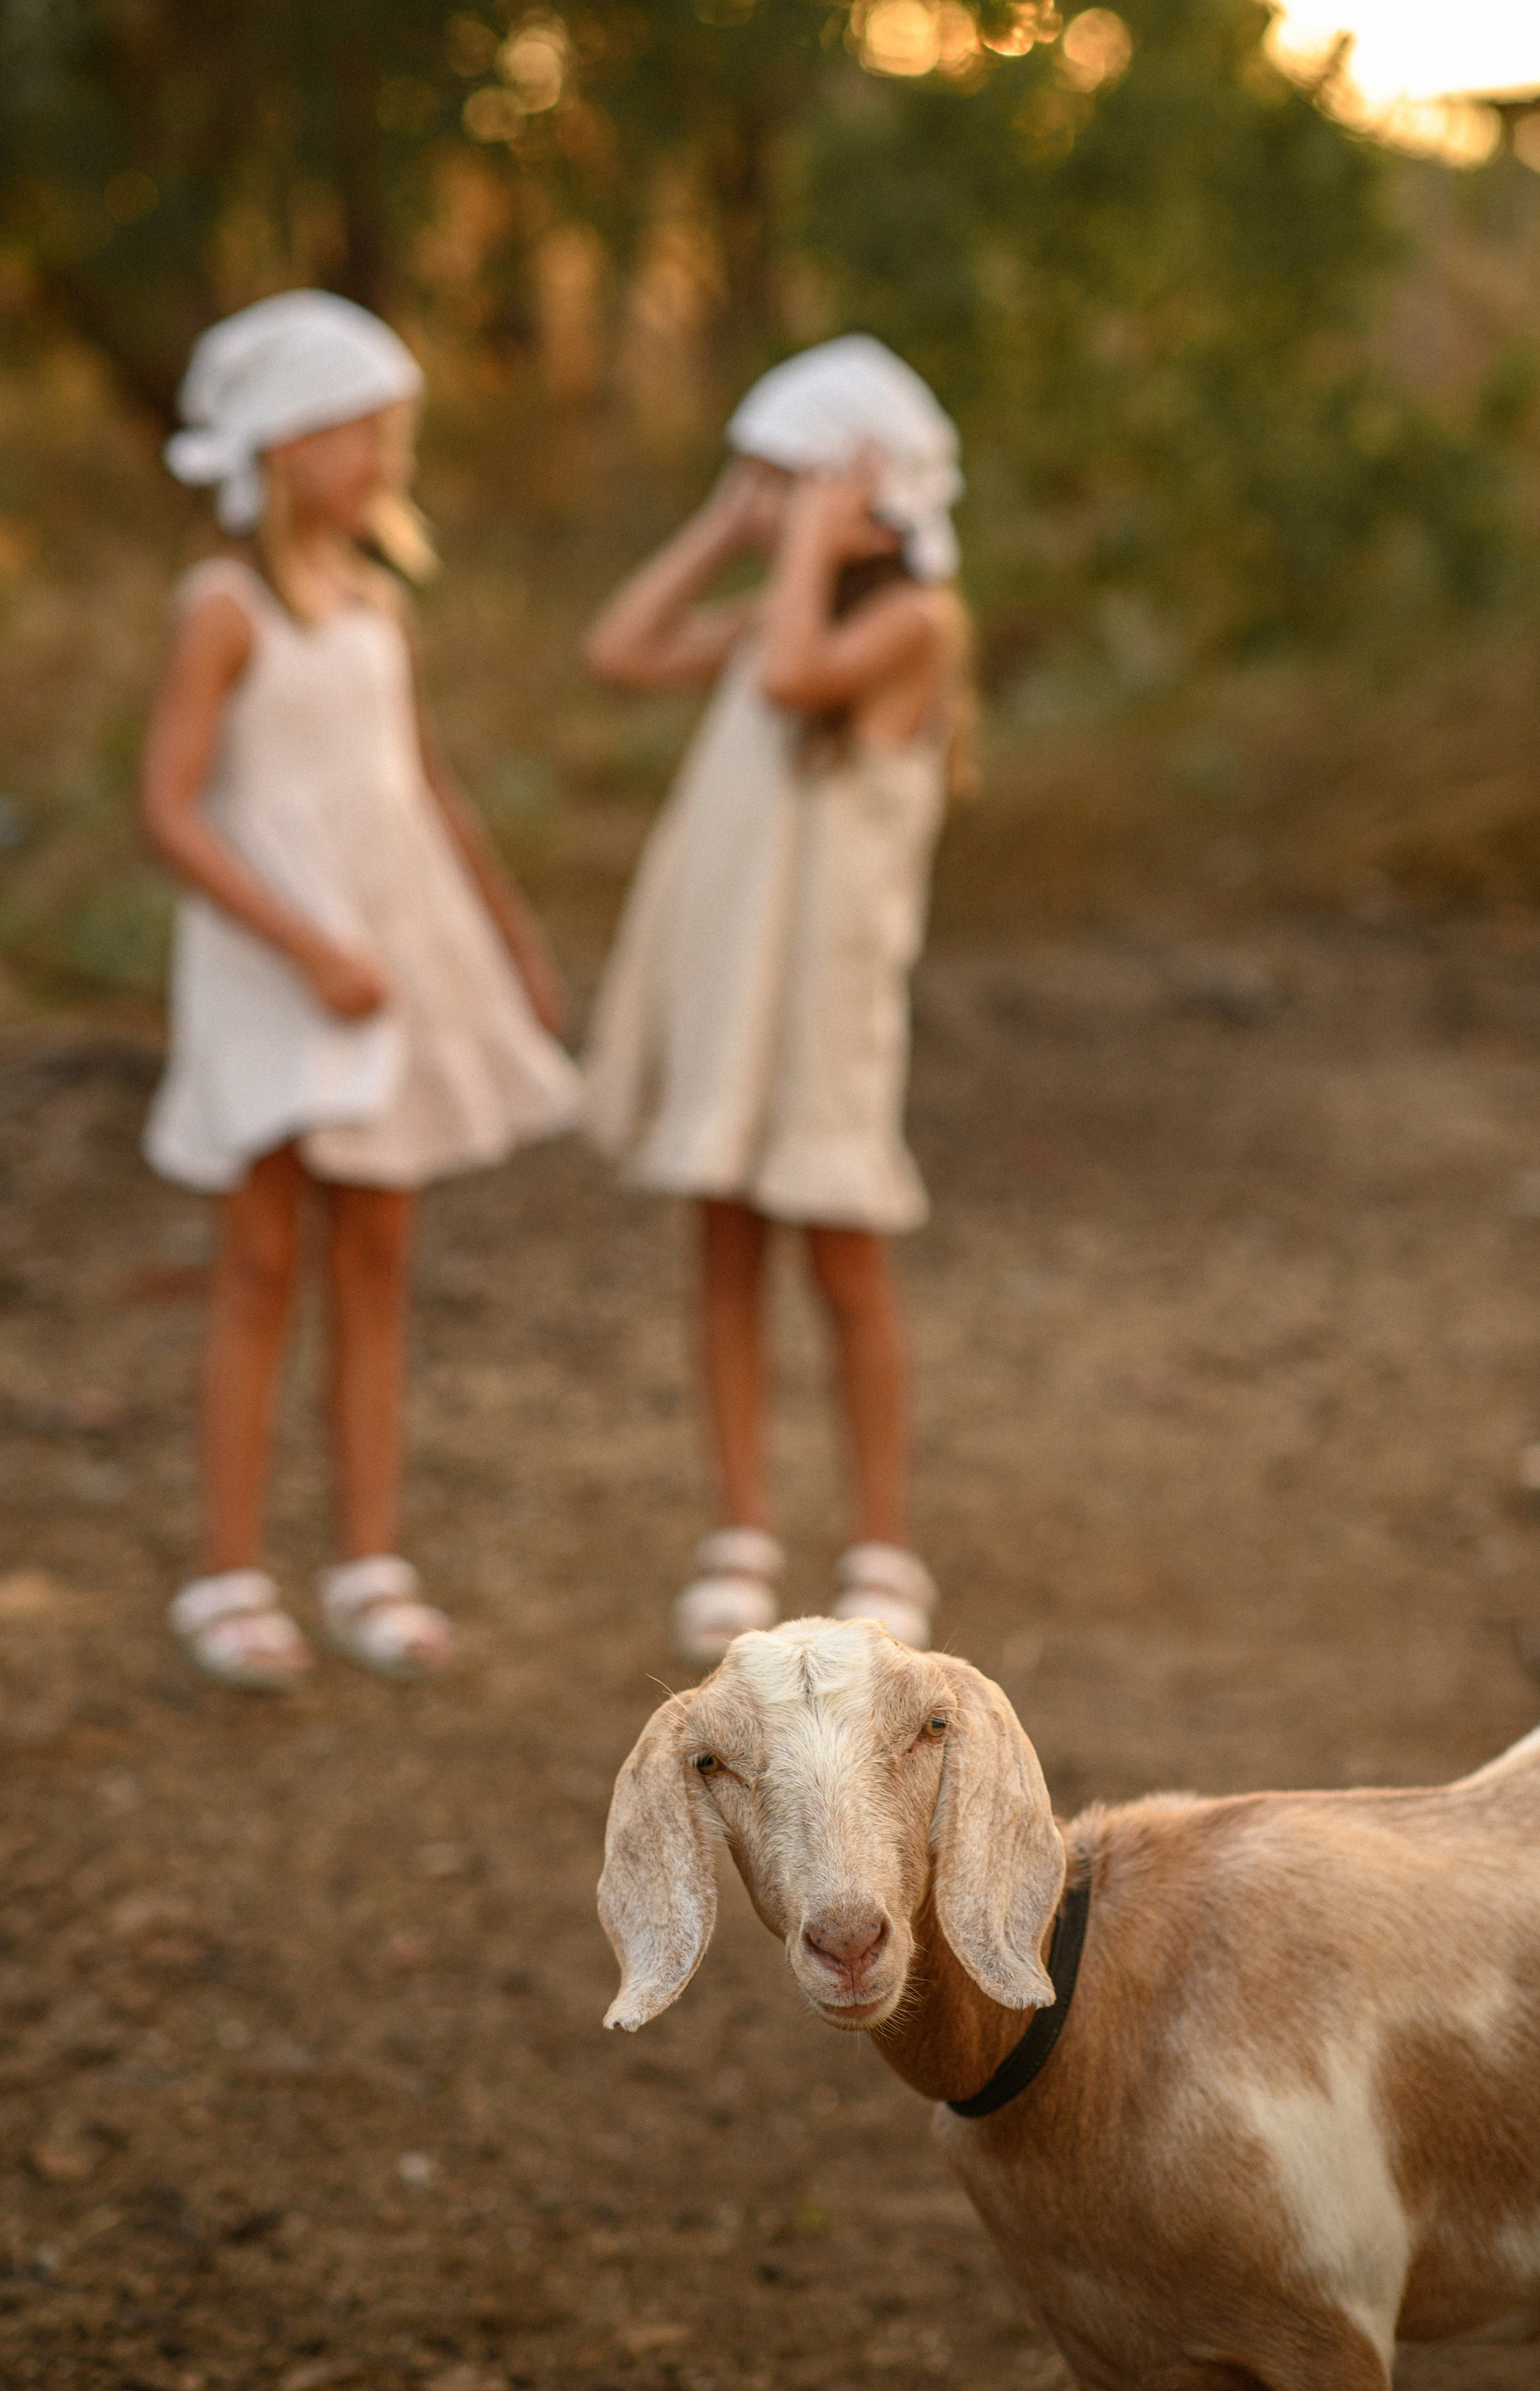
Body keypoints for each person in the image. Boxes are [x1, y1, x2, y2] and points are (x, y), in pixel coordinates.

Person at [141, 290, 581, 1691]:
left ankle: (367, 1561)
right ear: (282, 446)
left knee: (377, 1258)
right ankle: (225, 1569)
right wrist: (302, 944)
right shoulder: (222, 609)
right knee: (262, 1261)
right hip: (280, 968)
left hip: (395, 961)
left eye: (392, 429)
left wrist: (504, 935)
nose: (386, 455)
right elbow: (169, 809)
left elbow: (421, 787)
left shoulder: (378, 604)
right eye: (360, 430)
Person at [582, 335, 973, 1665]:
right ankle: (737, 1529)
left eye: (784, 479)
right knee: (725, 1238)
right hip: (731, 979)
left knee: (843, 1254)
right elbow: (619, 649)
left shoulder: (909, 621)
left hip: (824, 990)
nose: (765, 505)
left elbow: (796, 678)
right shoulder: (781, 605)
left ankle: (879, 1540)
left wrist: (805, 541)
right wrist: (720, 531)